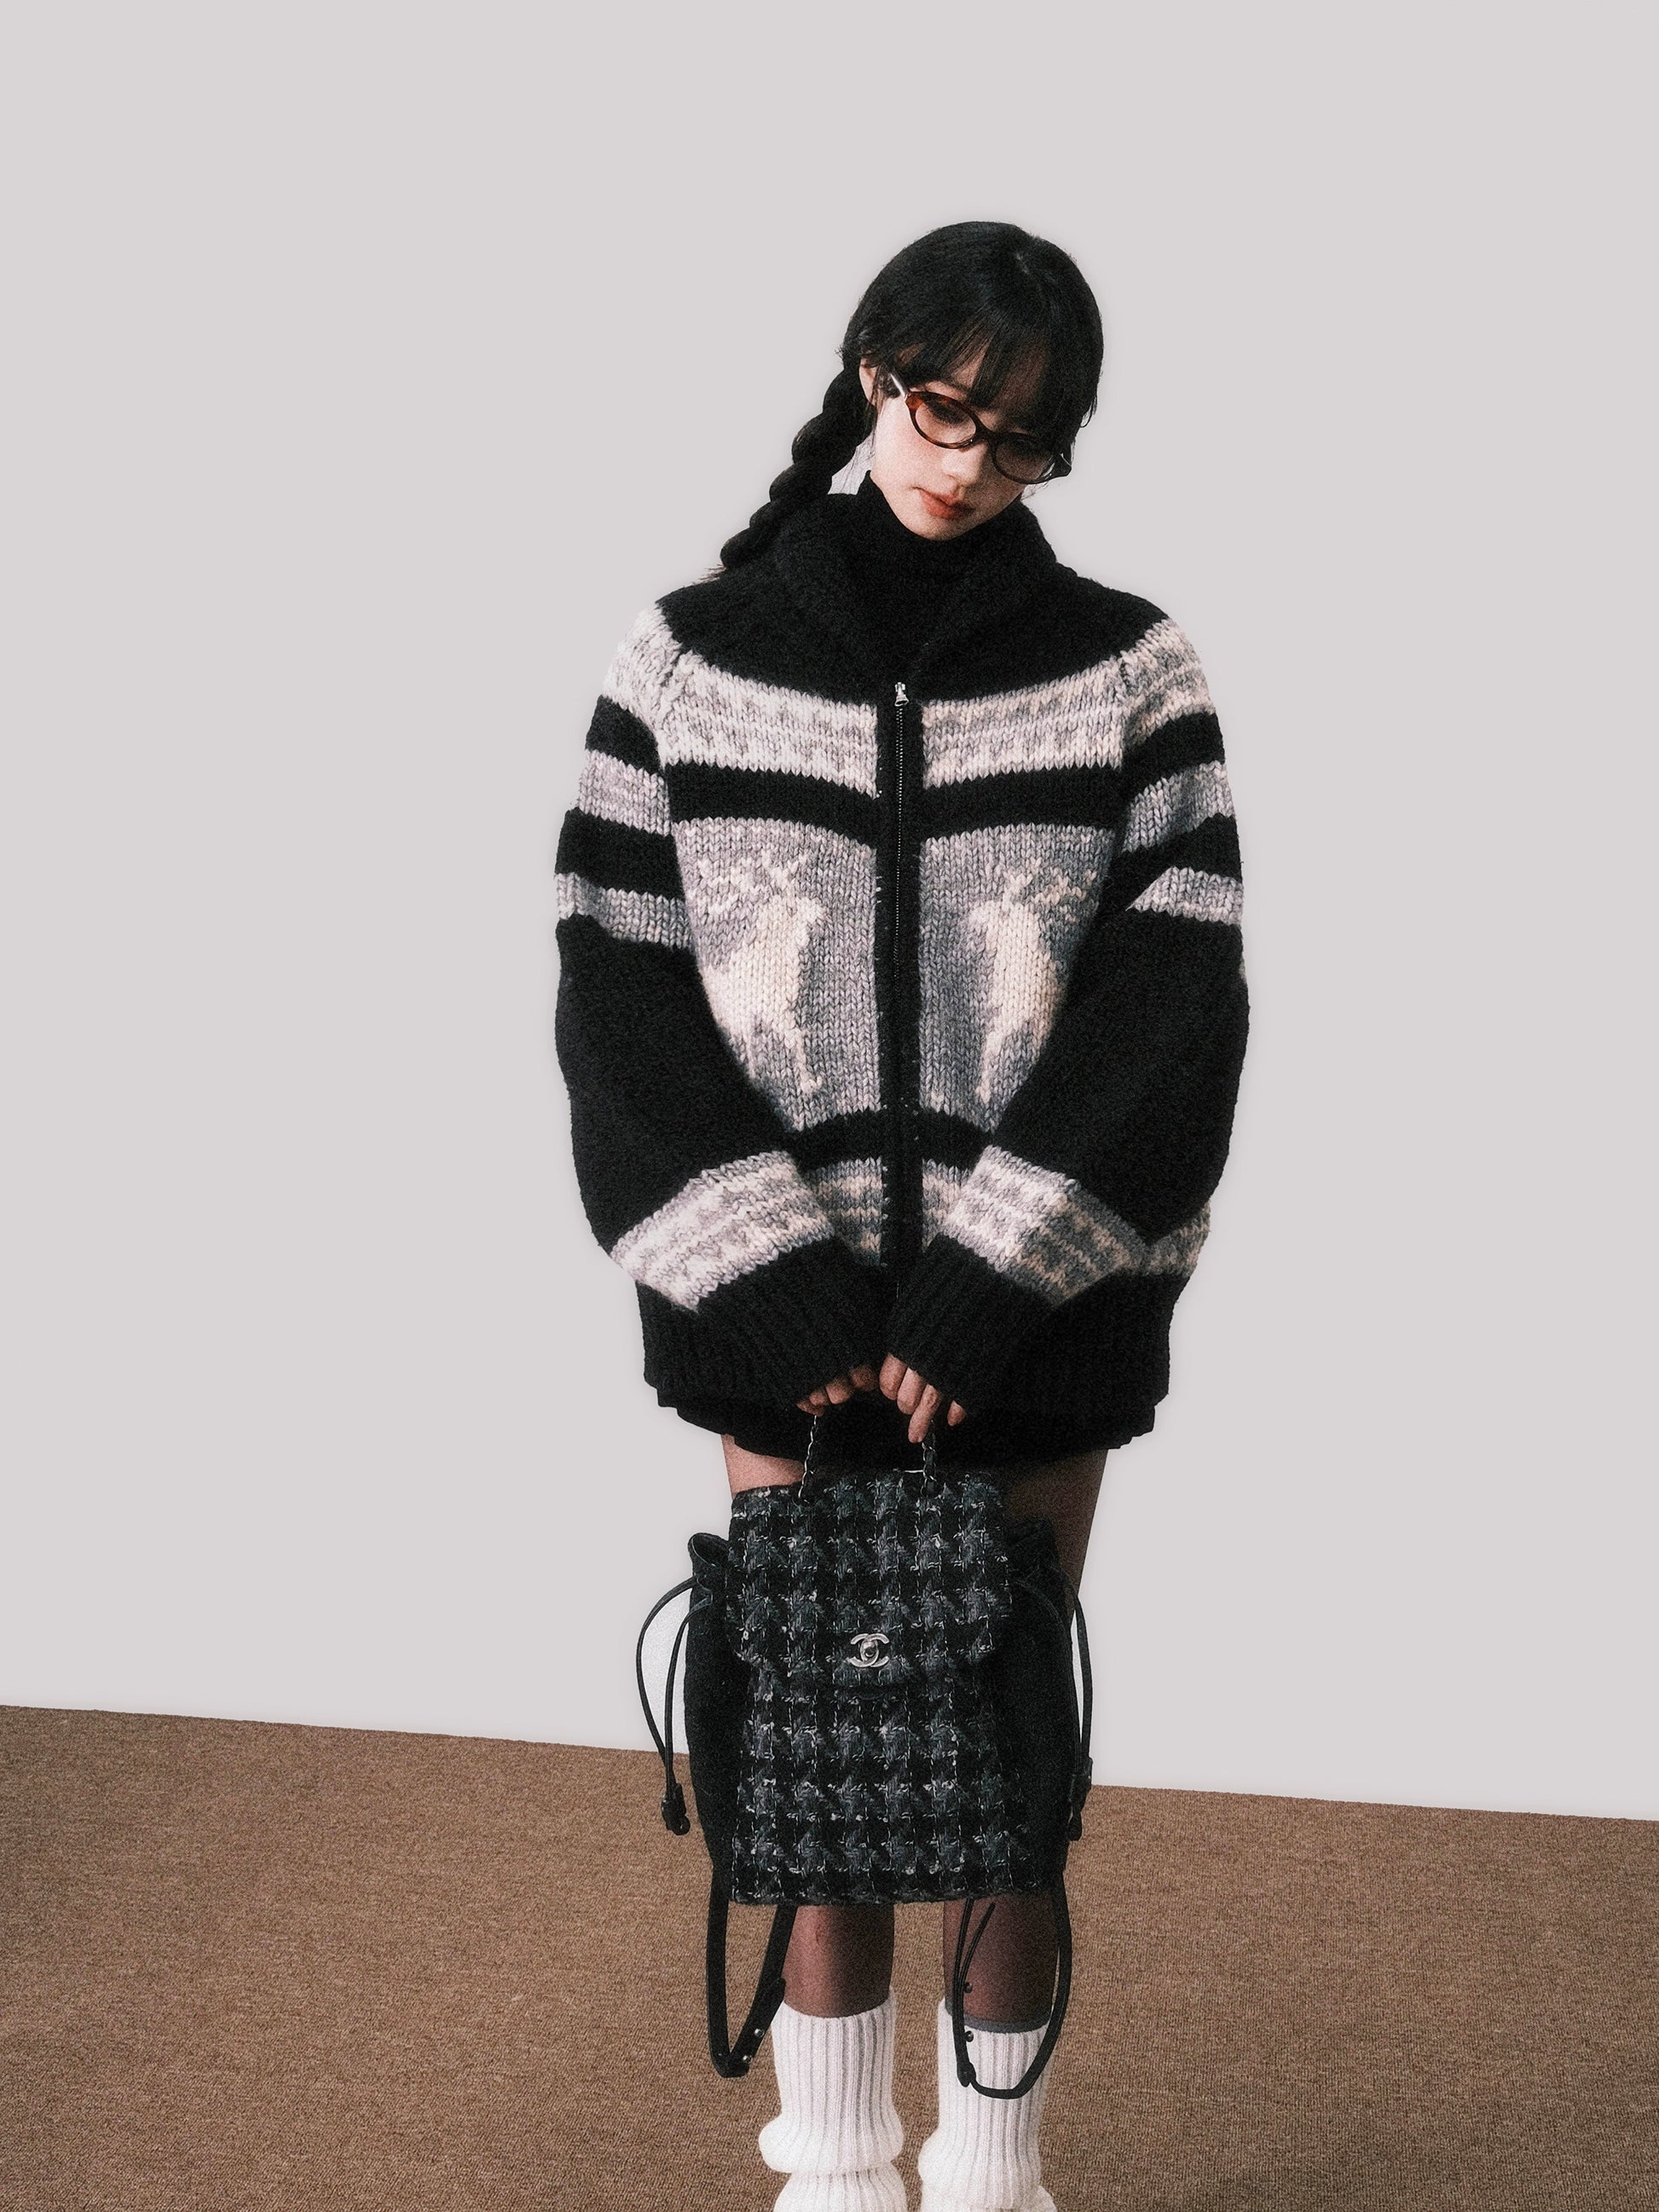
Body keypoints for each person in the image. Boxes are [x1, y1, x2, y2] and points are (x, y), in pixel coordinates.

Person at [554, 221, 1247, 2212]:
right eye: (947, 410)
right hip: (778, 1321)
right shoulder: (687, 658)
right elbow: (619, 984)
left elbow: (1173, 1003)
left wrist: (988, 1284)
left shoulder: (1128, 666)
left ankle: (998, 2176)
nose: (971, 462)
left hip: (1036, 1317)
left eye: (1024, 441)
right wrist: (770, 1285)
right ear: (873, 370)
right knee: (817, 1760)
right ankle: (840, 2171)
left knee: (1007, 1770)